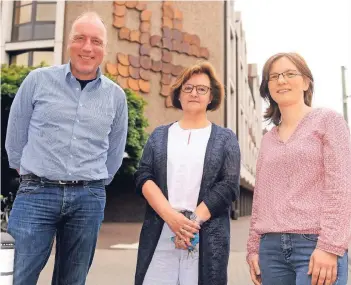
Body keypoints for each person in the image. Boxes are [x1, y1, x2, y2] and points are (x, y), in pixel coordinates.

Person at [5, 11, 128, 285]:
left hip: (88, 199)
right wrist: (28, 172)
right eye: (80, 39)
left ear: (105, 49)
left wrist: (94, 182)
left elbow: (115, 151)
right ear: (68, 43)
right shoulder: (37, 81)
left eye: (96, 41)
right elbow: (15, 137)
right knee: (17, 276)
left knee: (73, 280)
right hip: (36, 193)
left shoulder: (116, 97)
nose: (87, 47)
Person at [247, 52, 351, 285]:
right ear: (268, 88)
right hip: (270, 250)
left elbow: (341, 187)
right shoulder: (267, 139)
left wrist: (330, 246)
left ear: (306, 82)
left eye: (289, 73)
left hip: (315, 245)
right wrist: (253, 248)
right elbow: (261, 197)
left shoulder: (328, 121)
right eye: (274, 76)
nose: (281, 80)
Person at [134, 61, 241, 285]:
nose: (194, 93)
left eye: (202, 89)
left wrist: (190, 225)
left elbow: (229, 185)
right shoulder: (159, 136)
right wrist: (172, 218)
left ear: (211, 97)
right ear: (179, 94)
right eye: (188, 88)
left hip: (205, 233)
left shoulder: (226, 138)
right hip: (161, 230)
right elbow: (144, 175)